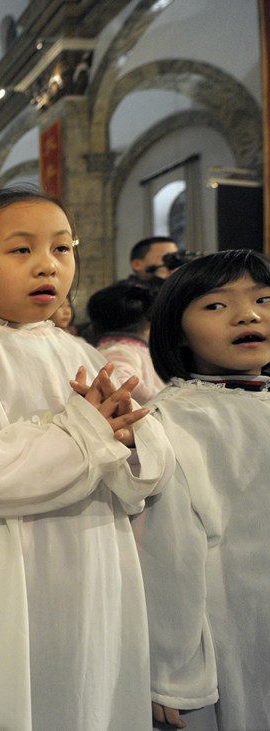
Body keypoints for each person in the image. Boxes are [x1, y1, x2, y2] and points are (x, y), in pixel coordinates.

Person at [0, 186, 172, 731]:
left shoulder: (82, 354)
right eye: (21, 250)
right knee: (5, 696)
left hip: (92, 556)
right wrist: (84, 435)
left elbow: (143, 468)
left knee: (87, 688)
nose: (47, 264)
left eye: (62, 249)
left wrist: (131, 440)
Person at [136, 250, 270, 731]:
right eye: (216, 306)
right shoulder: (174, 419)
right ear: (176, 331)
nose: (249, 314)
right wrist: (171, 668)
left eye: (264, 299)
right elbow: (167, 553)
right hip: (234, 620)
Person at [86, 281, 165, 403]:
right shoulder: (119, 350)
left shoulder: (123, 349)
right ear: (148, 324)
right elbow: (124, 384)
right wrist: (166, 399)